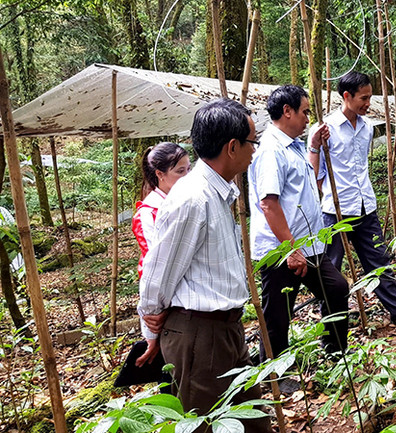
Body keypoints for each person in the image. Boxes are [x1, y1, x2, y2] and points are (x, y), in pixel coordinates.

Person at [137, 98, 271, 432]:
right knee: (205, 425)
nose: (254, 150)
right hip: (199, 335)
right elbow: (159, 271)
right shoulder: (192, 199)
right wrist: (151, 329)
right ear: (231, 147)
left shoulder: (217, 193)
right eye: (252, 142)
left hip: (225, 331)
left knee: (254, 422)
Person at [249, 85, 350, 361]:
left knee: (337, 289)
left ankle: (335, 353)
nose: (308, 118)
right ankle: (274, 375)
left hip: (308, 245)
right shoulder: (271, 151)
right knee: (278, 316)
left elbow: (308, 183)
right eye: (304, 112)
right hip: (282, 249)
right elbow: (269, 203)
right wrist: (290, 249)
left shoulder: (292, 147)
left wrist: (314, 146)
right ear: (287, 111)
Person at [308, 72, 396, 327]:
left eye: (370, 97)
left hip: (365, 205)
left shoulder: (367, 127)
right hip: (335, 210)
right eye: (364, 98)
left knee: (379, 262)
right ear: (347, 96)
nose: (368, 103)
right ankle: (333, 329)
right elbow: (314, 174)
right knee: (331, 271)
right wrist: (315, 147)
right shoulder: (325, 129)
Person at [132, 142, 191, 359]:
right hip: (166, 299)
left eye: (189, 169)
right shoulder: (148, 214)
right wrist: (151, 319)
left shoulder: (185, 201)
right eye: (180, 171)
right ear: (160, 174)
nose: (187, 176)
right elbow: (155, 265)